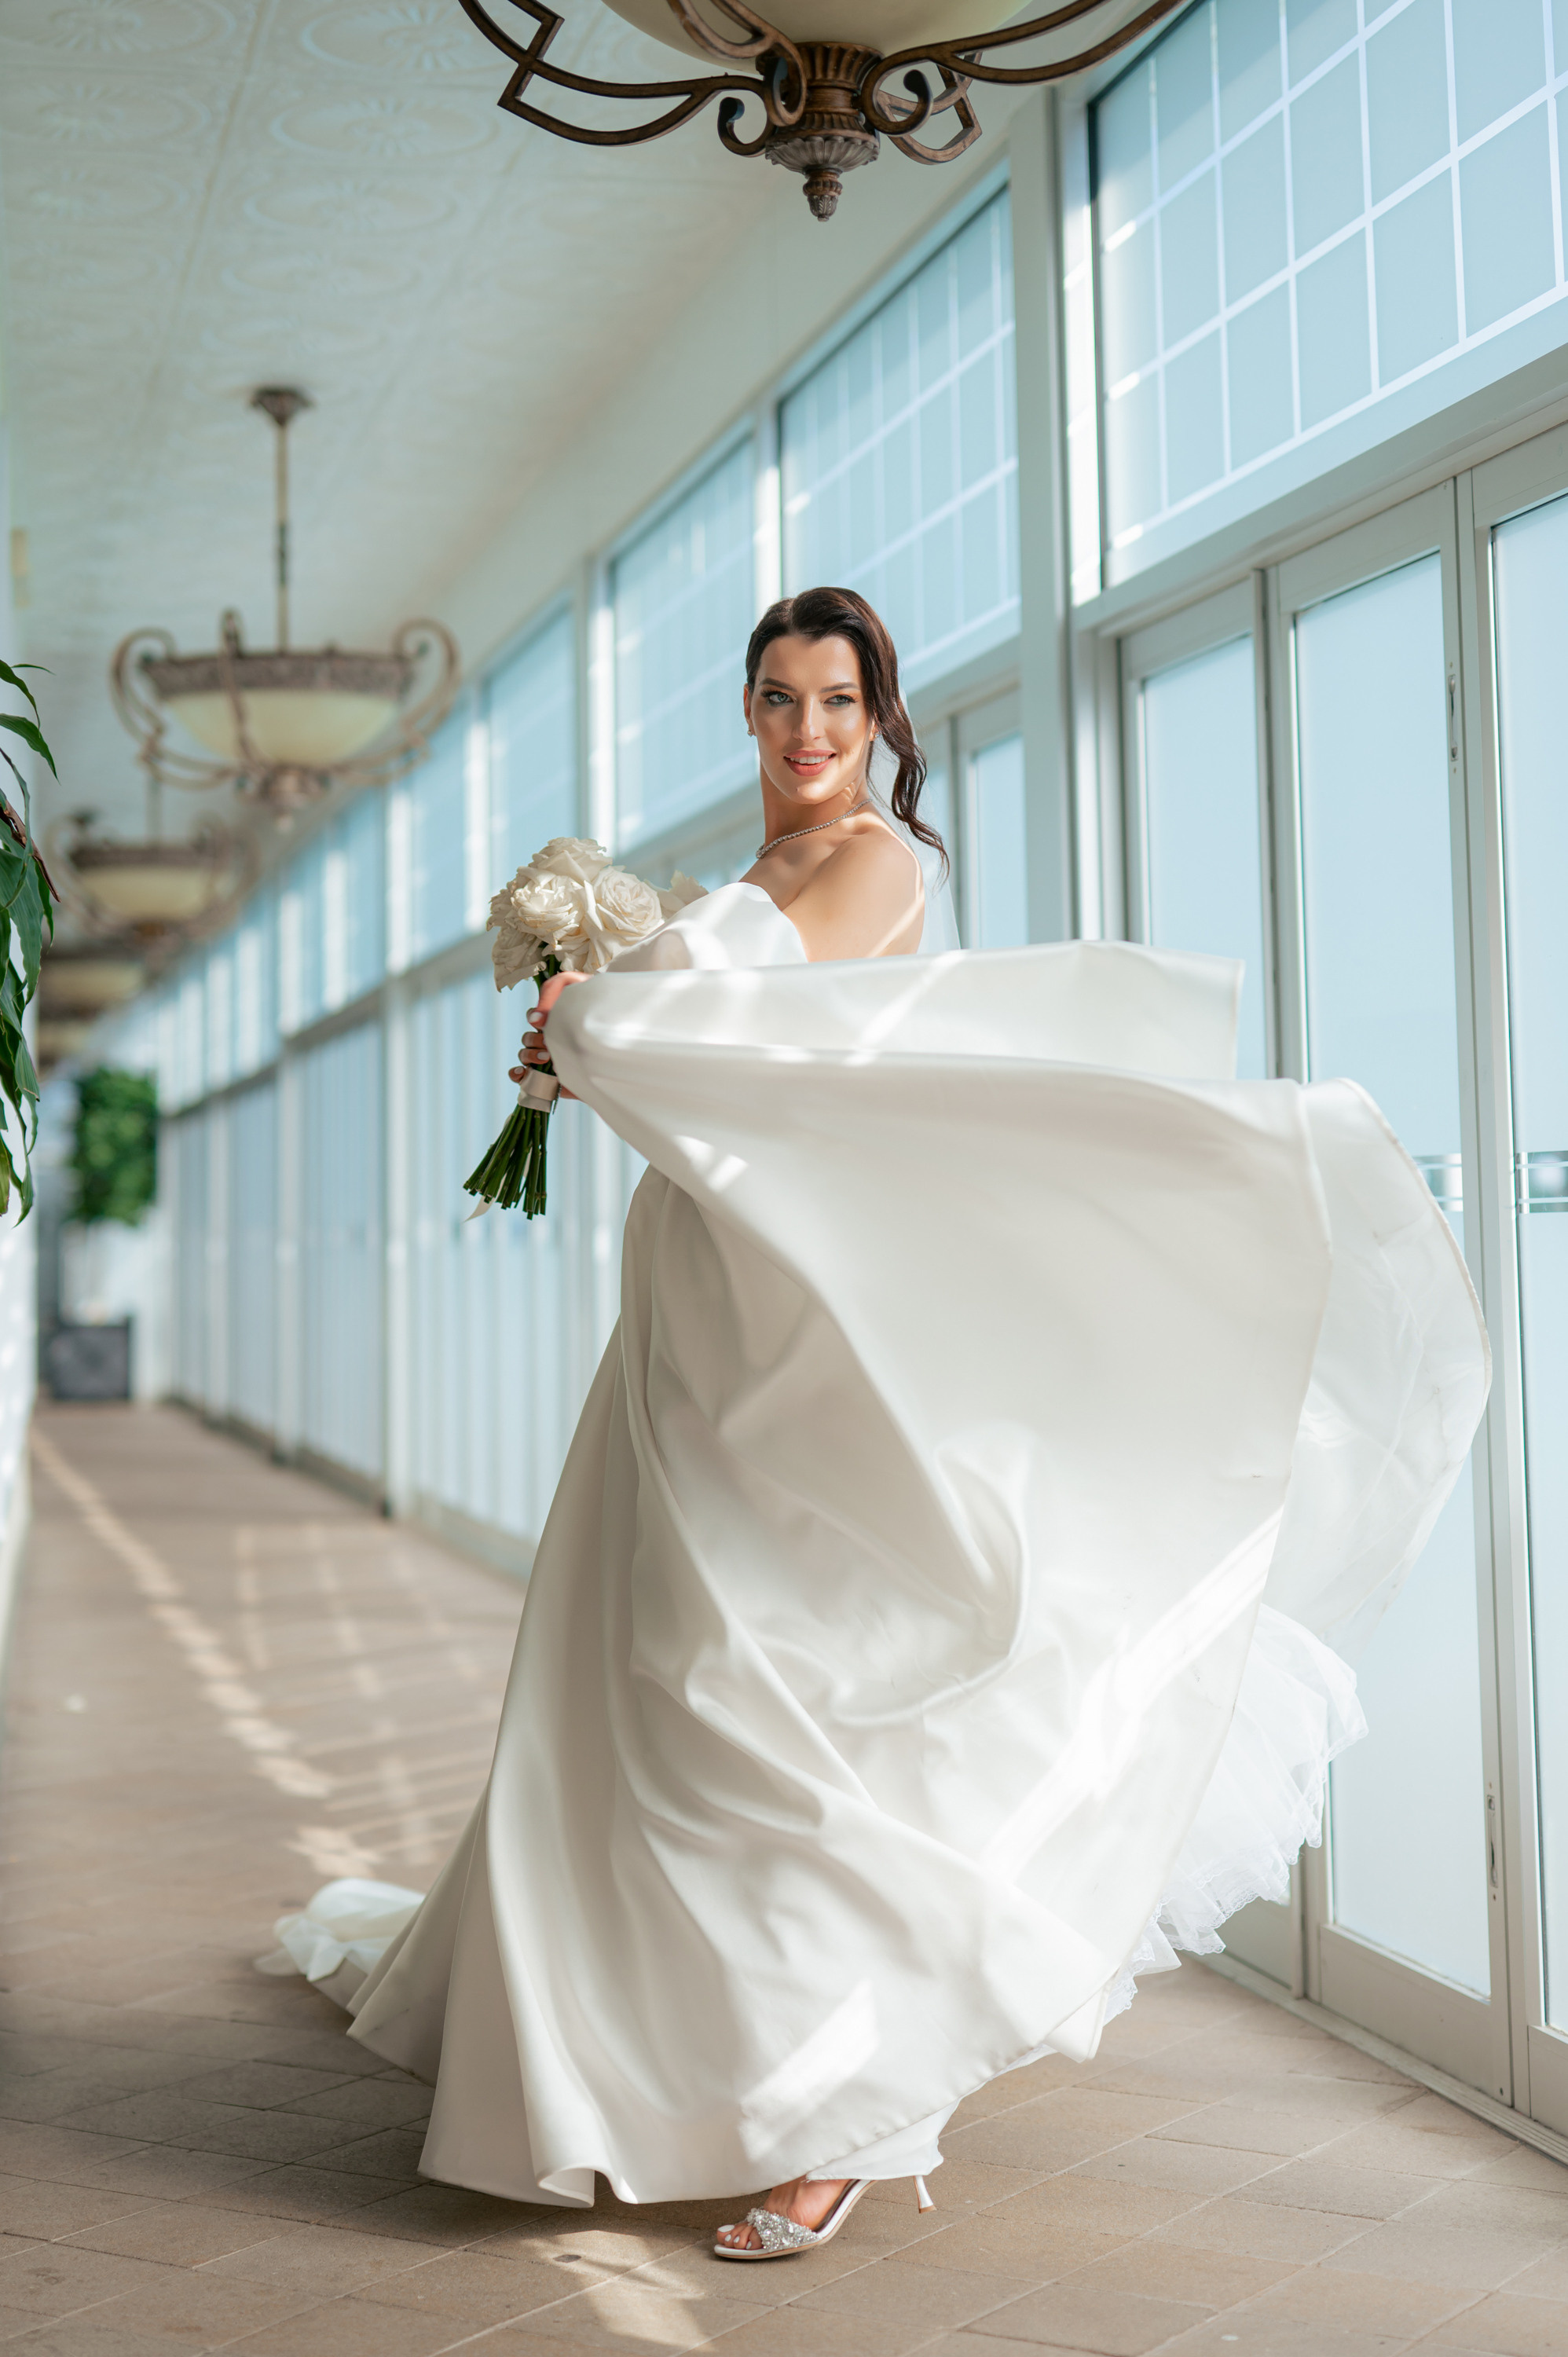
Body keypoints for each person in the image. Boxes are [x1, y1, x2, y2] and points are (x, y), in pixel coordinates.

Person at [266, 586, 1489, 2264]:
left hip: (800, 1332)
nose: (808, 732)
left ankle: (842, 2115)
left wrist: (592, 1022)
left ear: (880, 716)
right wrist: (584, 1040)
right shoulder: (751, 877)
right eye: (777, 700)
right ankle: (634, 2062)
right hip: (700, 1314)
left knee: (769, 1693)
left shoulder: (872, 868)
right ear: (749, 715)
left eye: (837, 700)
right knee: (636, 1682)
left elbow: (678, 1040)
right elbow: (683, 1059)